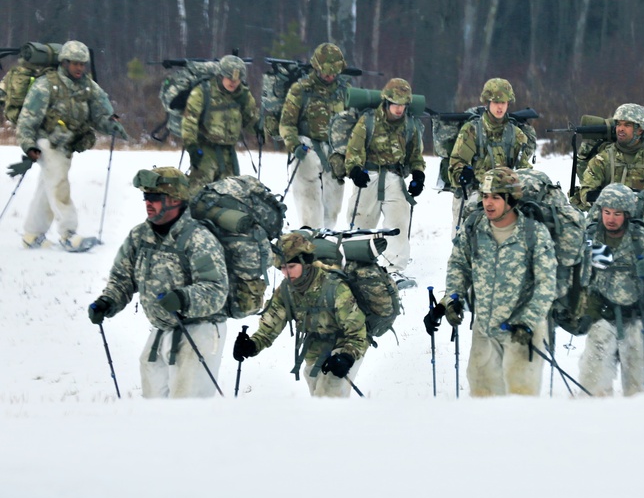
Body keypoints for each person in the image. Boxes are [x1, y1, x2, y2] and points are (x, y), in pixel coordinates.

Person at [87, 167, 229, 398]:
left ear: (174, 199)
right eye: (146, 197)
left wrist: (183, 298)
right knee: (154, 405)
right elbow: (123, 277)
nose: (148, 204)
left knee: (188, 407)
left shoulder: (198, 238)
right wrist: (107, 301)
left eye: (155, 198)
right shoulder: (140, 236)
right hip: (163, 329)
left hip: (200, 329)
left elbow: (215, 290)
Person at [443, 167, 557, 396]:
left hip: (523, 332)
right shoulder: (475, 229)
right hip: (484, 328)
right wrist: (453, 297)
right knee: (482, 396)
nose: (488, 203)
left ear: (511, 199)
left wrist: (527, 322)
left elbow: (546, 284)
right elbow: (458, 265)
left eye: (495, 197)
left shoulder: (533, 233)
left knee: (520, 398)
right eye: (485, 196)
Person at [13, 39, 129, 251]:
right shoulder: (46, 84)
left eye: (82, 64)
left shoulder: (89, 87)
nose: (79, 68)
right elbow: (27, 119)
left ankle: (32, 234)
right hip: (47, 142)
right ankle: (68, 234)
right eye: (74, 63)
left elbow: (99, 115)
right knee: (59, 186)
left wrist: (111, 125)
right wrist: (29, 145)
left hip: (67, 145)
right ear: (64, 63)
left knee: (47, 188)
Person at [232, 233, 368, 397]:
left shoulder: (334, 287)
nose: (287, 273)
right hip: (315, 349)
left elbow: (358, 332)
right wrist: (252, 345)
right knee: (318, 396)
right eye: (282, 268)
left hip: (345, 344)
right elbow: (270, 326)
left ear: (306, 262)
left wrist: (346, 356)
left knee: (327, 396)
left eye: (291, 267)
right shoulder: (286, 290)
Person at [577, 184, 644, 396]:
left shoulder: (641, 240)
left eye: (617, 214)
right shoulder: (593, 238)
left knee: (638, 390)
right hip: (602, 316)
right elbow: (582, 276)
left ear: (627, 214)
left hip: (636, 317)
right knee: (591, 384)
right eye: (606, 212)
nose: (611, 218)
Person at [343, 77, 425, 286]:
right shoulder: (368, 121)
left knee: (398, 222)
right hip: (368, 176)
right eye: (395, 104)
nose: (399, 110)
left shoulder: (410, 125)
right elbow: (353, 150)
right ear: (387, 102)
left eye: (403, 105)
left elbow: (415, 155)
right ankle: (357, 266)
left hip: (395, 177)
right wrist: (354, 170)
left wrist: (418, 175)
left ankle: (394, 269)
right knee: (362, 220)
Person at [278, 43, 350, 229]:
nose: (329, 76)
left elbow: (354, 123)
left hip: (335, 149)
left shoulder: (344, 92)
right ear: (316, 67)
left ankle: (327, 237)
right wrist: (294, 145)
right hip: (307, 145)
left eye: (334, 72)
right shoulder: (301, 89)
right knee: (308, 194)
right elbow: (286, 123)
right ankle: (310, 232)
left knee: (333, 200)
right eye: (326, 71)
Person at [448, 78, 532, 228]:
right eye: (496, 102)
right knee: (468, 232)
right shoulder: (472, 130)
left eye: (503, 103)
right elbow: (457, 162)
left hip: (505, 194)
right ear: (487, 103)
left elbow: (524, 169)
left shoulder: (516, 134)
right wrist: (462, 174)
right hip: (475, 191)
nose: (500, 107)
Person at [574, 103, 644, 218]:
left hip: (642, 222)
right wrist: (612, 198)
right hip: (607, 223)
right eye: (618, 124)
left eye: (627, 125)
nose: (620, 129)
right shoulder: (602, 160)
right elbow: (586, 194)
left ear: (640, 130)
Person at [180, 54, 258, 193]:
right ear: (221, 75)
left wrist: (259, 127)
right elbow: (189, 121)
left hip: (229, 153)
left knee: (229, 197)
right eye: (229, 78)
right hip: (206, 152)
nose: (233, 82)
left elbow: (250, 121)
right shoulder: (203, 92)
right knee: (197, 195)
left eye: (237, 79)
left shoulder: (243, 95)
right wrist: (191, 146)